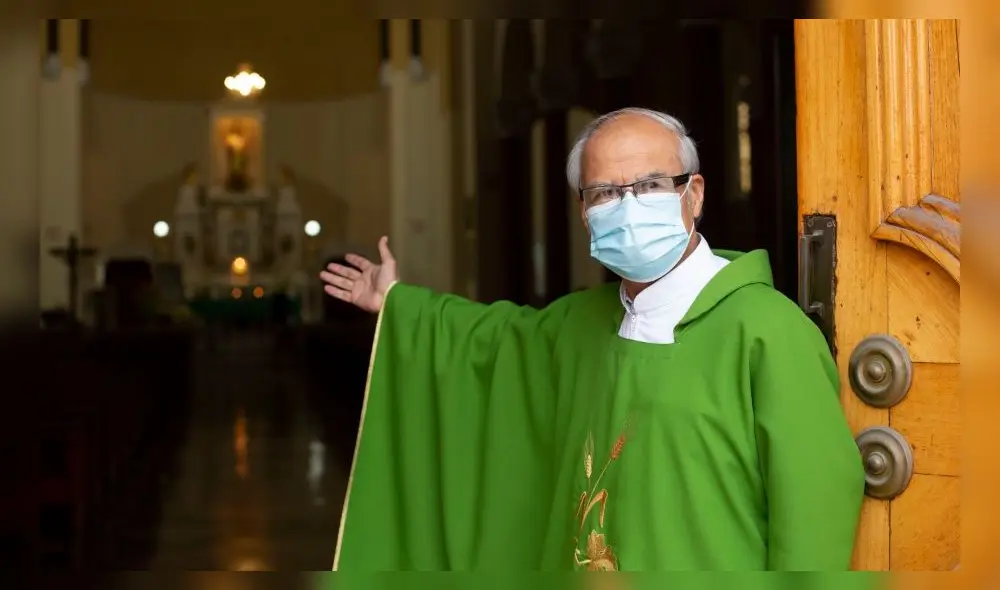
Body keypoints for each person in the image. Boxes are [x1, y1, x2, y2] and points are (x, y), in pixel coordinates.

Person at [320, 108, 864, 571]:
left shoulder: (767, 329)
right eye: (604, 192)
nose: (627, 206)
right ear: (584, 212)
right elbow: (485, 344)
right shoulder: (577, 325)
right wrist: (395, 301)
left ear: (693, 194)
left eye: (650, 185)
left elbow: (815, 505)